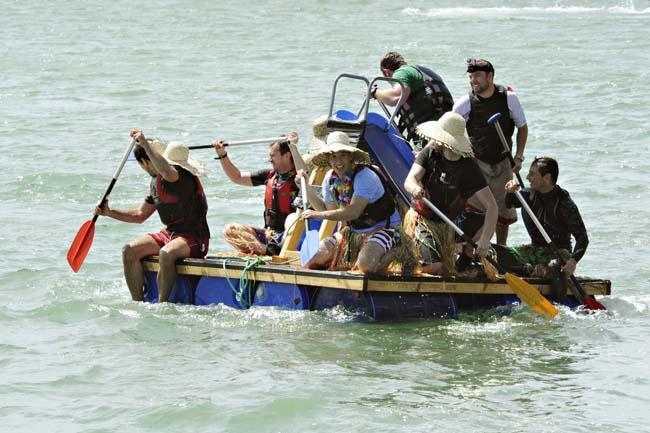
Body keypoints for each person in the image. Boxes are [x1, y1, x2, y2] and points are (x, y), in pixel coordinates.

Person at [94, 129, 210, 302]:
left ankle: (162, 304)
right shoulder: (156, 182)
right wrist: (109, 212)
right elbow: (139, 215)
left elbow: (168, 172)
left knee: (166, 253)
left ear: (145, 162)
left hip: (195, 237)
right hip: (171, 234)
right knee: (129, 250)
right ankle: (138, 301)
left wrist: (145, 144)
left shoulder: (179, 176)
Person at [403, 112, 498, 276]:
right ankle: (412, 265)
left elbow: (492, 207)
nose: (435, 140)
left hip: (450, 222)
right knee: (436, 268)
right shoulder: (430, 153)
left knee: (485, 224)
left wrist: (484, 240)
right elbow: (410, 179)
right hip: (423, 220)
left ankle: (464, 263)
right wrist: (414, 188)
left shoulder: (469, 167)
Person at [298, 131, 402, 274]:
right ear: (328, 159)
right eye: (333, 156)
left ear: (351, 156)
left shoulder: (365, 176)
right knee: (313, 259)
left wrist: (319, 215)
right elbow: (325, 208)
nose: (338, 161)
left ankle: (399, 251)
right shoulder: (330, 179)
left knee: (365, 266)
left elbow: (353, 212)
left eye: (342, 155)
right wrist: (304, 188)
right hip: (353, 233)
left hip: (385, 229)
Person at [453, 58, 528, 245]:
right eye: (470, 77)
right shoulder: (465, 103)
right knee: (477, 209)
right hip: (477, 164)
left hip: (504, 163)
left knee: (503, 211)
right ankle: (473, 248)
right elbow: (450, 128)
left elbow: (523, 128)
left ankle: (501, 248)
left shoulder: (509, 98)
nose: (473, 81)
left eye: (477, 76)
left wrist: (518, 157)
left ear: (490, 76)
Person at [499, 157, 589, 302]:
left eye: (532, 174)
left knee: (554, 266)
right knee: (497, 252)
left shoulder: (564, 203)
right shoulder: (528, 195)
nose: (528, 177)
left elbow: (582, 237)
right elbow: (509, 203)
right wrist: (510, 190)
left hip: (559, 253)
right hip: (535, 250)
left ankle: (560, 304)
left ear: (546, 178)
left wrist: (573, 261)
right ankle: (531, 269)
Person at [212, 132, 301, 256]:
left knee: (292, 221)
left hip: (288, 236)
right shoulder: (269, 175)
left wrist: (293, 146)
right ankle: (267, 250)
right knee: (230, 230)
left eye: (272, 156)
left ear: (287, 156)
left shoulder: (300, 177)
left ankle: (272, 250)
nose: (269, 159)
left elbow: (304, 170)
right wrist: (222, 155)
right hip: (269, 235)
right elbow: (237, 177)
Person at [372, 51, 454, 146]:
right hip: (449, 127)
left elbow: (396, 97)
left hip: (430, 131)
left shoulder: (401, 73)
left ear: (386, 72)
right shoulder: (423, 71)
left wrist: (375, 92)